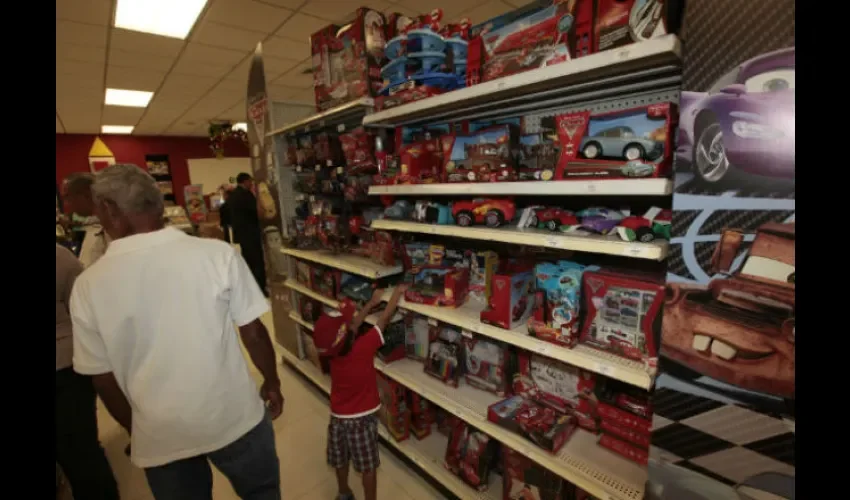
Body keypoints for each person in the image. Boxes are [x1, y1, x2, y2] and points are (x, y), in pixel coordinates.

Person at [69, 164, 284, 500]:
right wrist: (272, 382)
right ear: (157, 204)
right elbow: (253, 332)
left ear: (110, 210)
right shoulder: (216, 255)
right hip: (233, 416)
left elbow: (102, 378)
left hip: (161, 435)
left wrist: (137, 430)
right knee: (262, 493)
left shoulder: (87, 286)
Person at [314, 285, 407, 500]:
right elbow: (383, 320)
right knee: (368, 467)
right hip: (362, 419)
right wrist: (395, 294)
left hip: (338, 417)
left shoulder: (334, 354)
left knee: (341, 459)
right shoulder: (363, 346)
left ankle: (344, 492)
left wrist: (370, 304)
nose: (352, 321)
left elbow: (352, 326)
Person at [56, 243, 121, 500]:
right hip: (65, 365)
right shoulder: (62, 257)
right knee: (81, 451)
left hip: (66, 366)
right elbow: (84, 313)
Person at [227, 173, 267, 295]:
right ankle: (260, 288)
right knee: (257, 262)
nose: (251, 184)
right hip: (251, 233)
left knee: (248, 261)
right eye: (250, 182)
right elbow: (257, 213)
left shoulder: (233, 195)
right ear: (245, 181)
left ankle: (250, 288)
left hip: (241, 233)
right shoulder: (246, 195)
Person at [63, 173, 112, 268]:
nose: (66, 203)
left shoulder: (112, 226)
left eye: (68, 196)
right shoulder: (92, 227)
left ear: (87, 194)